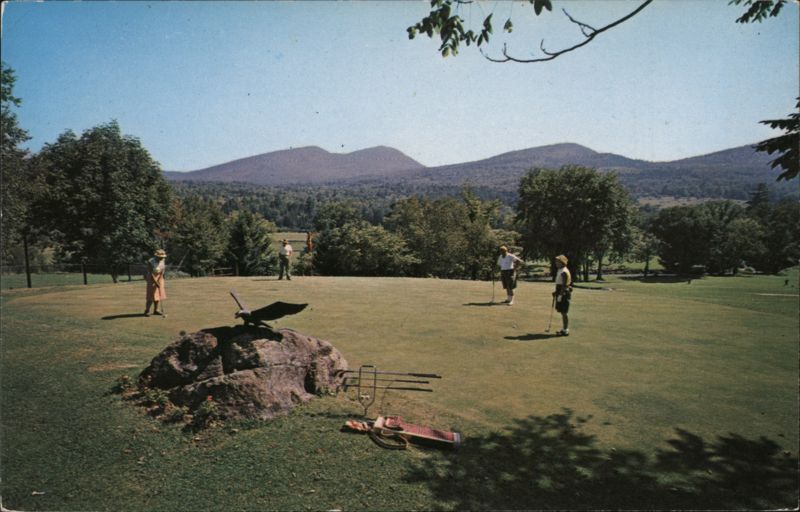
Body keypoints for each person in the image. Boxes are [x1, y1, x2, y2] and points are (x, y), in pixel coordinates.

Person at [553, 254, 573, 336]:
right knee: (562, 312)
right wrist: (556, 292)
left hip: (563, 293)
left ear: (562, 262)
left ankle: (566, 330)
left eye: (557, 262)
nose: (556, 263)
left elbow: (564, 285)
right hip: (560, 291)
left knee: (564, 312)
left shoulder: (564, 271)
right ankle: (564, 329)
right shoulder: (560, 270)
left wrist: (560, 295)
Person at [145, 249, 167, 316]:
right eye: (160, 257)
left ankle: (156, 310)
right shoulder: (150, 262)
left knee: (158, 295)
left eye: (162, 257)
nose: (161, 258)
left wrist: (159, 280)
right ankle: (147, 311)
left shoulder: (163, 261)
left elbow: (162, 271)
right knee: (151, 295)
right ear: (156, 256)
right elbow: (151, 273)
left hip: (160, 278)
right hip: (151, 279)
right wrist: (155, 282)